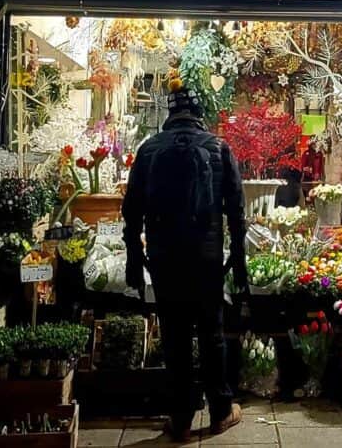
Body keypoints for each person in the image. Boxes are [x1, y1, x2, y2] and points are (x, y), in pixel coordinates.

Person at [122, 77, 247, 440]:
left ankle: (180, 418)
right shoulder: (219, 148)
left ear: (169, 114)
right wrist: (238, 264)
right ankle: (221, 410)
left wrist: (135, 258)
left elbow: (131, 212)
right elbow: (236, 212)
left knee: (174, 336)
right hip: (207, 259)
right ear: (198, 113)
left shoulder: (149, 150)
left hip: (164, 259)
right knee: (212, 333)